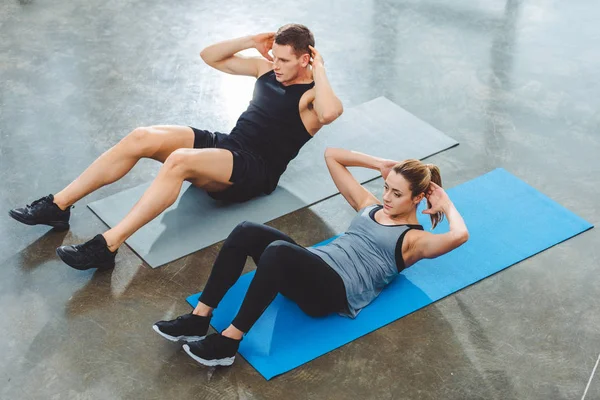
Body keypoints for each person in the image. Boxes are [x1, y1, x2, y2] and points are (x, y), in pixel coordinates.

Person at [8, 24, 343, 271]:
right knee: (142, 136)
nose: (276, 64)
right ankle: (59, 205)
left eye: (285, 60)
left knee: (179, 161)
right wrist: (251, 41)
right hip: (228, 145)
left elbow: (331, 113)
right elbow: (209, 56)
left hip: (255, 170)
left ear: (305, 59)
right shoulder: (266, 68)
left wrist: (321, 69)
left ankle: (107, 245)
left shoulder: (312, 98)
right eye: (275, 56)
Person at [152, 147, 469, 367]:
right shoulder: (370, 205)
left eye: (397, 194)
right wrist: (380, 165)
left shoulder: (413, 240)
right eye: (386, 188)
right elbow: (332, 156)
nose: (386, 197)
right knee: (247, 229)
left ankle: (228, 344)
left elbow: (459, 236)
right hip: (312, 267)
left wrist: (446, 202)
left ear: (417, 198)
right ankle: (199, 318)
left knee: (277, 252)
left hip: (332, 293)